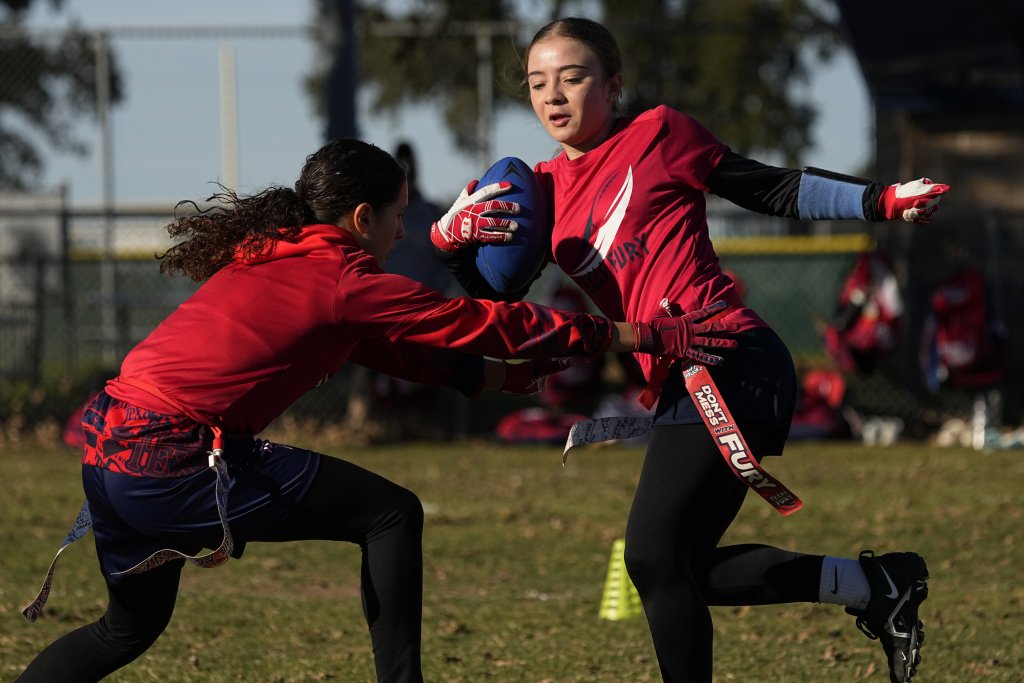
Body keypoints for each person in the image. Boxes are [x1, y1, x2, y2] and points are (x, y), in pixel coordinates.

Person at [16, 138, 739, 683]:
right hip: (171, 457)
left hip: (108, 447)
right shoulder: (340, 274)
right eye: (397, 215)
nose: (404, 231)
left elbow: (384, 348)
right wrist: (636, 335)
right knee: (390, 514)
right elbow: (479, 322)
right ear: (363, 217)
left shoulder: (275, 251)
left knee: (123, 631)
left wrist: (489, 378)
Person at [429, 17, 950, 683]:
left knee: (652, 557)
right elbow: (500, 302)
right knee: (679, 566)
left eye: (573, 77)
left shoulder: (659, 133)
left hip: (729, 355)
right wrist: (451, 247)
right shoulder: (540, 190)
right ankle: (877, 584)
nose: (552, 95)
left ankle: (878, 585)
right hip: (681, 376)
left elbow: (769, 186)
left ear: (613, 85)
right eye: (537, 83)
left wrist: (881, 199)